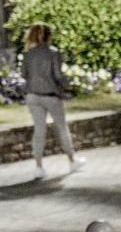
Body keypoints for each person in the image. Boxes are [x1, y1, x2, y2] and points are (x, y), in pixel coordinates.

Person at [22, 23, 84, 180]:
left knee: (39, 131)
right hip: (50, 95)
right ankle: (72, 161)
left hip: (32, 95)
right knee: (62, 128)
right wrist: (69, 84)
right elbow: (58, 75)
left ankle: (38, 167)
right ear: (49, 36)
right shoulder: (53, 53)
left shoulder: (28, 54)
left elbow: (24, 74)